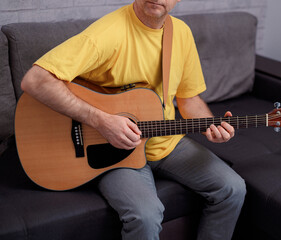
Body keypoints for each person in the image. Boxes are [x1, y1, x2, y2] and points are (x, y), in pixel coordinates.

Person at [20, 0, 246, 239]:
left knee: (233, 188)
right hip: (110, 149)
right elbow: (35, 80)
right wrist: (101, 121)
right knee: (146, 216)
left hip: (164, 141)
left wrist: (210, 124)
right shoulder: (108, 33)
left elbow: (189, 99)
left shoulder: (180, 33)